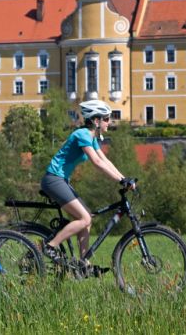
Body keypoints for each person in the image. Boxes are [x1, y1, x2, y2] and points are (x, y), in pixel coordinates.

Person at [40, 99, 136, 268]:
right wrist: (120, 180)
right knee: (84, 218)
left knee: (87, 218)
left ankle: (83, 262)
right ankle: (50, 246)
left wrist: (124, 178)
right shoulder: (82, 134)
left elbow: (104, 160)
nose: (109, 122)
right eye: (106, 118)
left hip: (61, 180)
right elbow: (96, 163)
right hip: (53, 179)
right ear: (96, 120)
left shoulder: (91, 138)